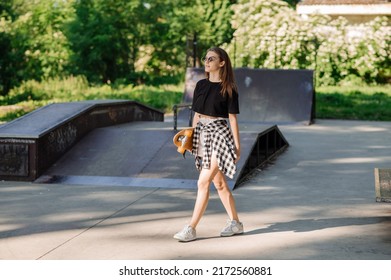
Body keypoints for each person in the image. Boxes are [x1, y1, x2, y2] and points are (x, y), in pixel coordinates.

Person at [173, 47, 243, 242]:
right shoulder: (201, 85)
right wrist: (190, 137)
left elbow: (233, 119)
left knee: (203, 182)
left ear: (222, 63)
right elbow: (196, 114)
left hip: (219, 134)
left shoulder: (229, 88)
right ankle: (236, 223)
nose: (207, 61)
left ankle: (191, 228)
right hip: (202, 135)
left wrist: (237, 147)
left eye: (211, 58)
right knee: (219, 183)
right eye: (206, 58)